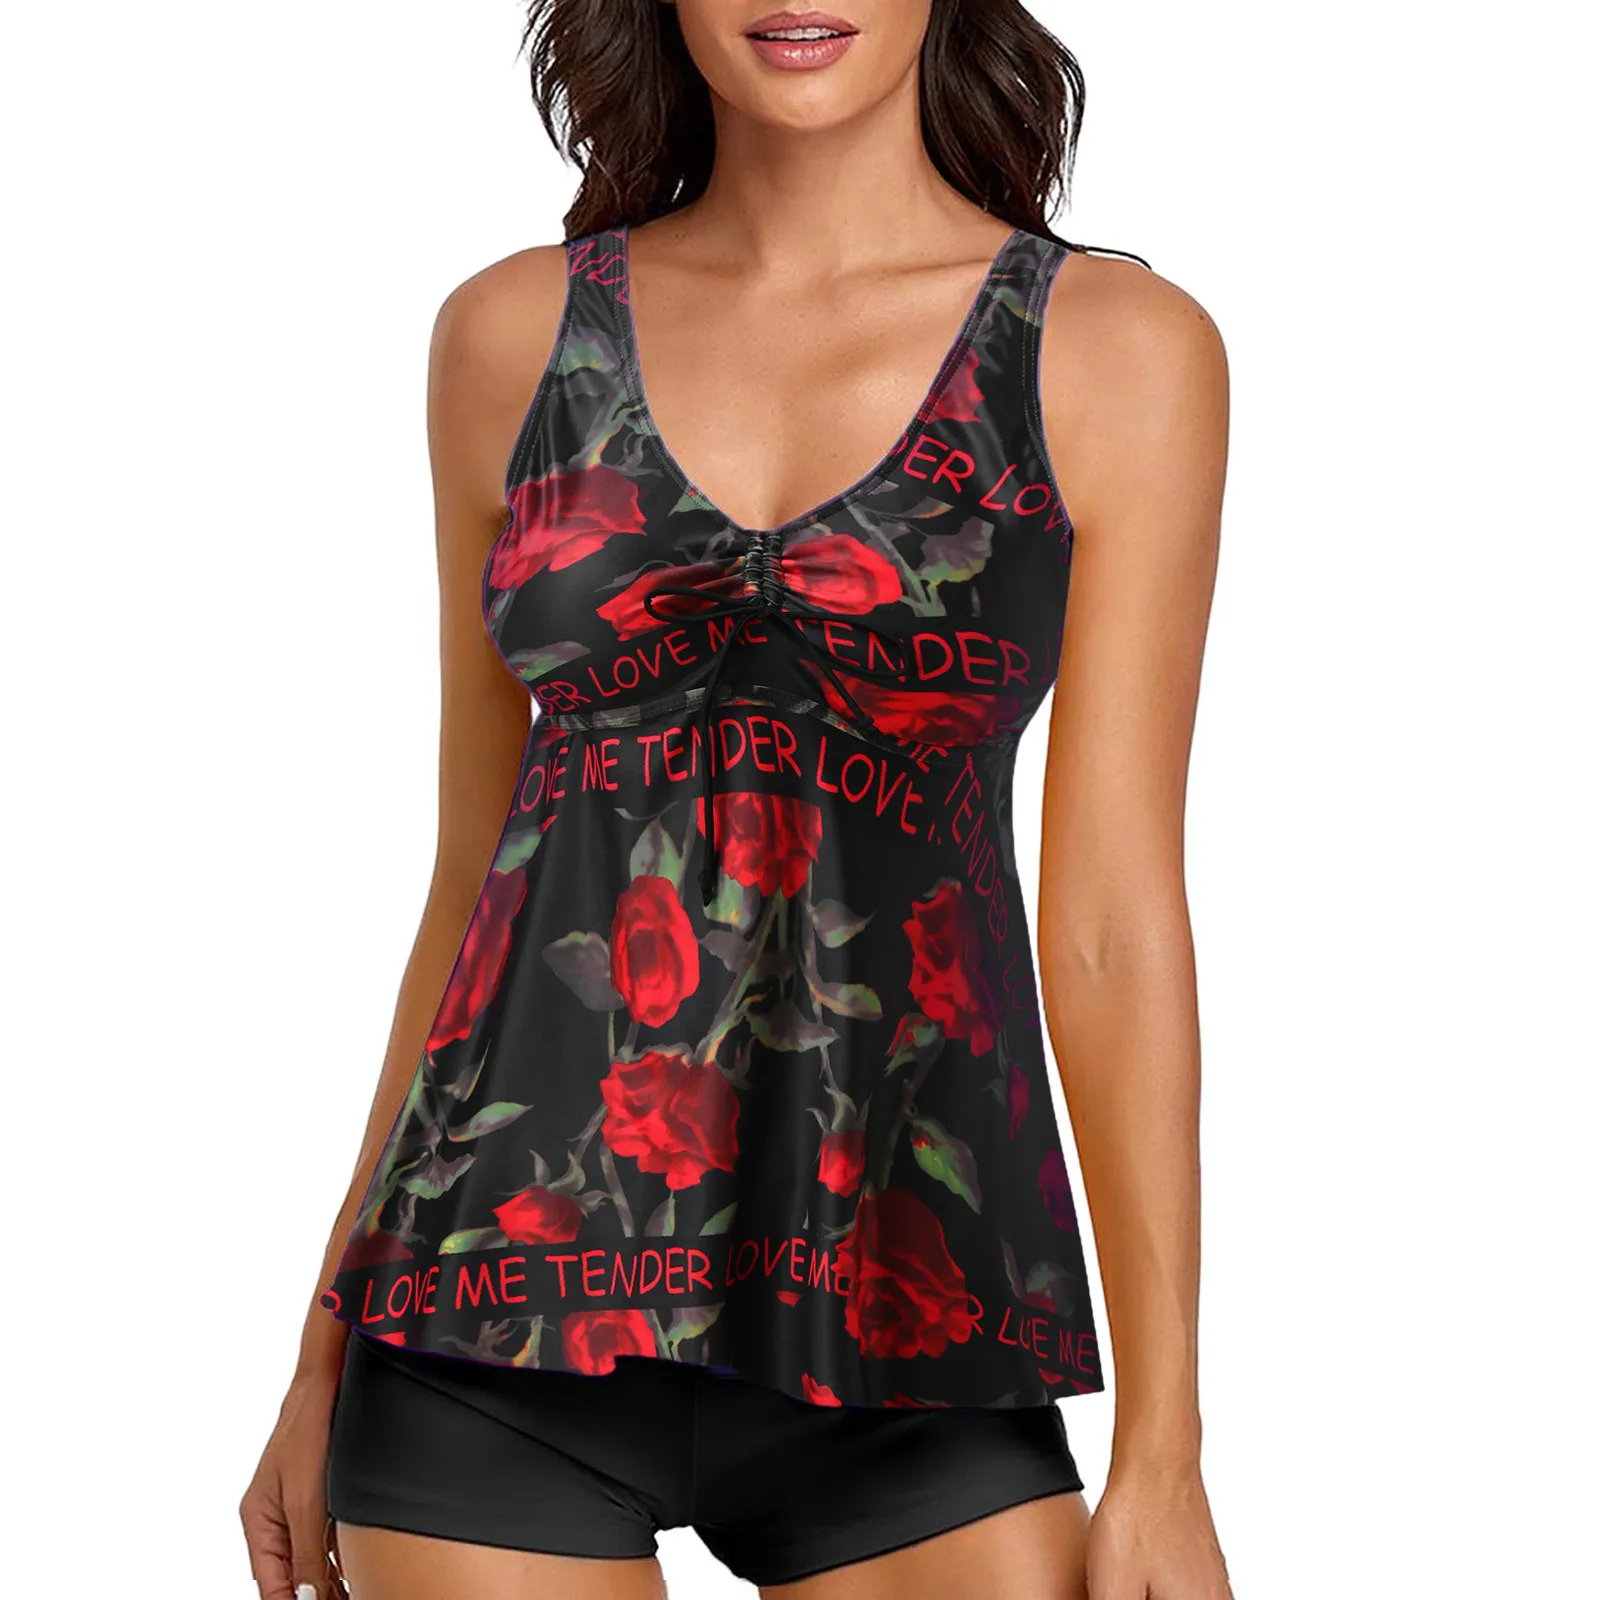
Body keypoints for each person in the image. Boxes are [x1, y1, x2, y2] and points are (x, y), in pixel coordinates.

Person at [240, 2, 1231, 1596]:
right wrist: (317, 1354)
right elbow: (477, 889)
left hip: (915, 1313)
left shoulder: (1114, 350)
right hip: (487, 1316)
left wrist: (1165, 1454)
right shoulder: (512, 337)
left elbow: (1114, 925)